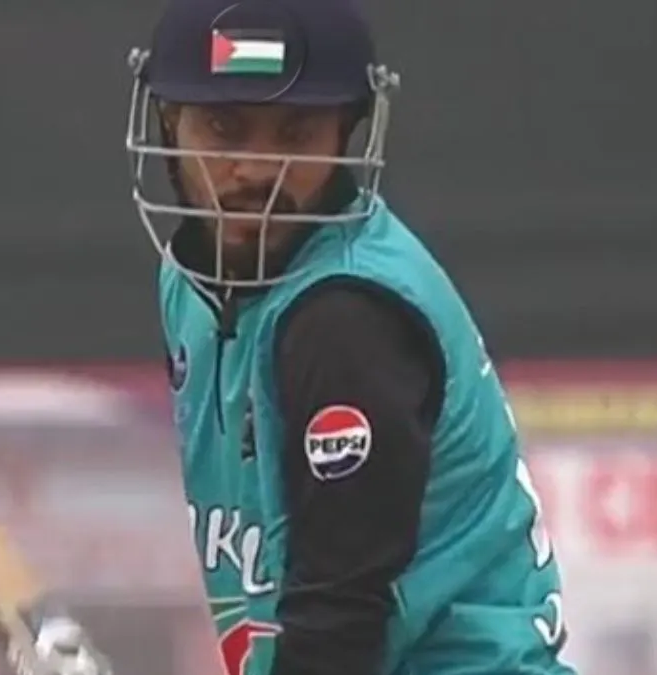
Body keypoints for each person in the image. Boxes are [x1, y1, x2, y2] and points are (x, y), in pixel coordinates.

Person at [124, 1, 578, 674]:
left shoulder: (344, 320)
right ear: (167, 119)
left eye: (295, 129)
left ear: (347, 131)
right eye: (224, 125)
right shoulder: (189, 280)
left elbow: (339, 620)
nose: (256, 169)